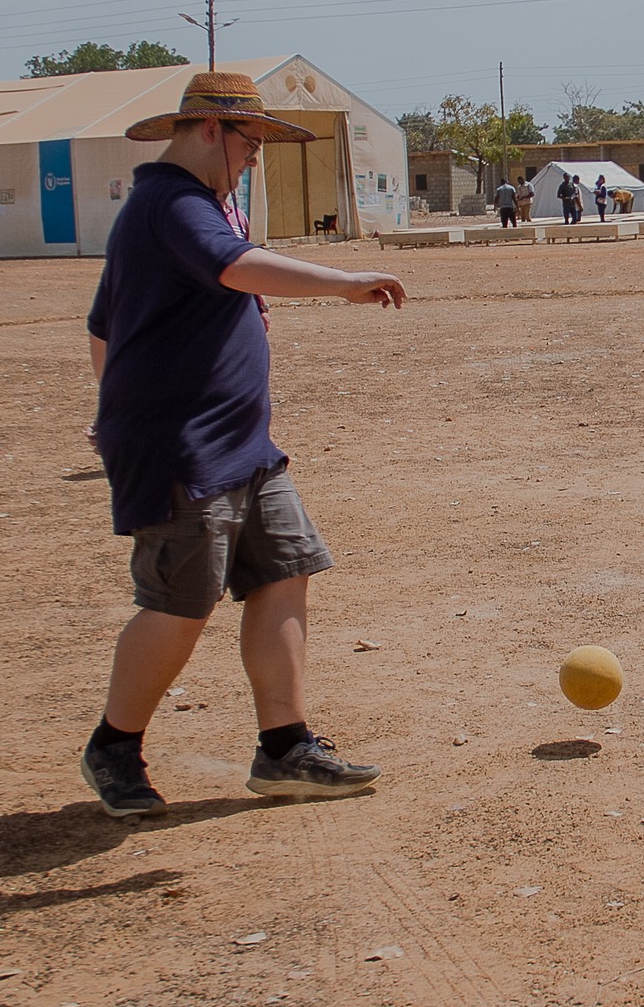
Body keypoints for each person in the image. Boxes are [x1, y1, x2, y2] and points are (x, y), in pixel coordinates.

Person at [81, 72, 407, 818]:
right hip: (184, 448)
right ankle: (113, 746)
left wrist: (109, 406)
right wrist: (343, 280)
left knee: (285, 569)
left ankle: (284, 746)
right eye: (250, 142)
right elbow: (236, 268)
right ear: (206, 130)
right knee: (179, 603)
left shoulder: (185, 209)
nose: (254, 158)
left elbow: (104, 325)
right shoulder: (172, 204)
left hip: (244, 445)